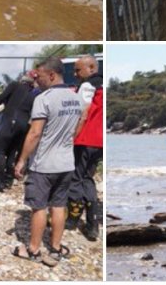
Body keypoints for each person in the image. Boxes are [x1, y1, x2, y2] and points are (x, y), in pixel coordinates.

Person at [12, 57, 82, 265]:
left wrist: (21, 160)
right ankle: (56, 248)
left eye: (40, 75)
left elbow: (34, 133)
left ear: (52, 75)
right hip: (66, 162)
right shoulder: (76, 98)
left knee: (39, 207)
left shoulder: (44, 99)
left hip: (44, 164)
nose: (37, 79)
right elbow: (78, 126)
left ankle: (33, 250)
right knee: (59, 205)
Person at [66, 56, 103, 240]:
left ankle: (72, 219)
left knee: (76, 178)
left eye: (77, 70)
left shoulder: (88, 85)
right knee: (88, 179)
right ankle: (92, 224)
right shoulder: (103, 85)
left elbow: (83, 111)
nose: (75, 74)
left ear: (91, 68)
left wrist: (72, 136)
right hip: (99, 142)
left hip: (84, 139)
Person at [0, 71, 39, 192]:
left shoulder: (14, 85)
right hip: (23, 125)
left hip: (11, 121)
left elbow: (1, 98)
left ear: (23, 78)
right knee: (12, 152)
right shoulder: (33, 94)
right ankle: (8, 180)